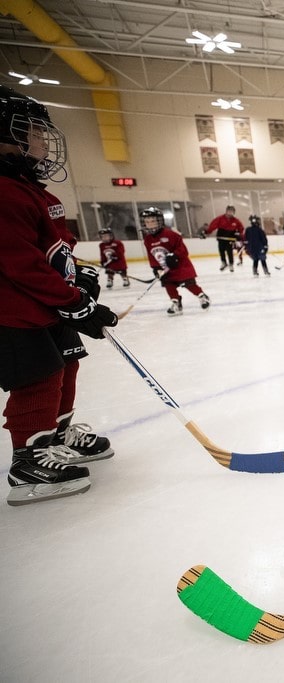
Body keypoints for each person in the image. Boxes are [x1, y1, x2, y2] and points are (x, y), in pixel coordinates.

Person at [0, 85, 119, 505]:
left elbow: (55, 249)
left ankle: (58, 434)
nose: (41, 139)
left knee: (67, 366)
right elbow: (20, 264)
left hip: (47, 306)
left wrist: (79, 283)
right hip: (14, 314)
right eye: (31, 130)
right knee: (38, 379)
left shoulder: (33, 191)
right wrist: (73, 303)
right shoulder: (3, 192)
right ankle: (27, 460)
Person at [140, 207, 210, 315]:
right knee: (169, 285)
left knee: (189, 284)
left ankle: (202, 296)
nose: (150, 224)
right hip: (166, 269)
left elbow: (183, 249)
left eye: (153, 221)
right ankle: (176, 302)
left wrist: (174, 255)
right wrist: (156, 268)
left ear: (160, 221)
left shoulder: (170, 235)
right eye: (147, 222)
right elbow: (151, 255)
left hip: (181, 267)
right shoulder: (148, 239)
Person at [204, 204, 244, 271]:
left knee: (229, 251)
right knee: (221, 251)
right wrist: (207, 232)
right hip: (221, 238)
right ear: (226, 211)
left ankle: (231, 264)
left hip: (230, 239)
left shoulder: (236, 221)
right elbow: (213, 226)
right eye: (229, 211)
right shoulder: (220, 219)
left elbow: (241, 228)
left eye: (232, 211)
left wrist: (239, 234)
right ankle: (223, 262)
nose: (230, 213)